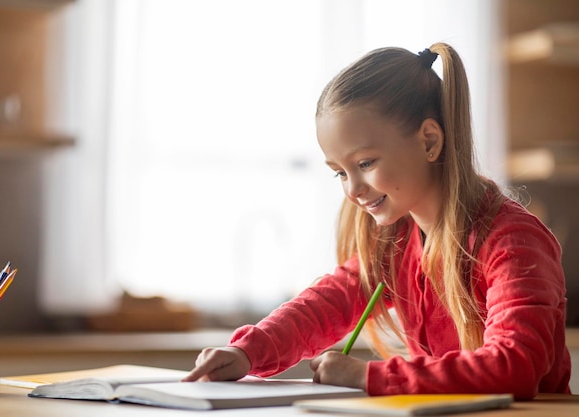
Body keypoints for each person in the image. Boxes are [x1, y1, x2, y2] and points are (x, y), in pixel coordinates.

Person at [182, 42, 572, 399]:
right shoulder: (396, 239)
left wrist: (370, 376)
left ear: (429, 142)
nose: (352, 190)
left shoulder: (512, 241)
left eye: (365, 163)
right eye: (339, 172)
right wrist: (247, 351)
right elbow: (327, 304)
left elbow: (513, 367)